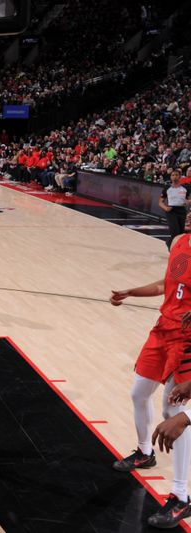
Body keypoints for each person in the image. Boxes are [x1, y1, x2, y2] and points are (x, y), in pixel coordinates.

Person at [109, 214, 191, 528]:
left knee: (174, 411)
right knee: (138, 392)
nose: (188, 215)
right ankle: (145, 453)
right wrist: (132, 291)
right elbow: (165, 284)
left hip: (187, 341)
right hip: (162, 330)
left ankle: (181, 497)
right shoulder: (178, 242)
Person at [159, 169, 191, 249]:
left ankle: (171, 244)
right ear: (170, 177)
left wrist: (187, 201)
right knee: (175, 232)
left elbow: (188, 199)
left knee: (181, 233)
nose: (175, 177)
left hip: (182, 211)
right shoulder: (167, 188)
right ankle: (173, 248)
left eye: (176, 175)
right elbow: (160, 202)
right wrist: (165, 208)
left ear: (180, 176)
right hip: (171, 211)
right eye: (173, 175)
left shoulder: (185, 188)